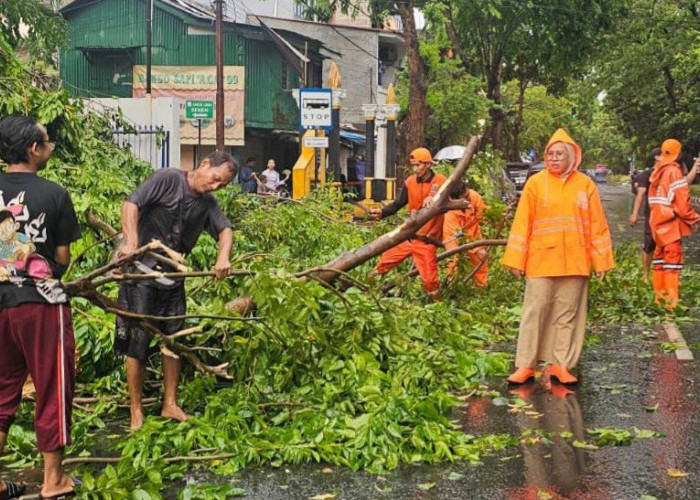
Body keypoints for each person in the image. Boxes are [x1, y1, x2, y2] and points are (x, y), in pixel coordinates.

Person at [116, 151, 235, 430]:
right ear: (205, 163)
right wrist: (131, 241)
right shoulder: (168, 178)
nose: (216, 186)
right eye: (216, 179)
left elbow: (225, 229)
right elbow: (131, 203)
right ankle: (136, 410)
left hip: (173, 281)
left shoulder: (207, 202)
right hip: (141, 275)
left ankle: (170, 403)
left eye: (223, 185)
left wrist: (223, 258)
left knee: (173, 341)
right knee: (138, 343)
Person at [0, 116, 82, 499]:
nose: (49, 148)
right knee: (53, 386)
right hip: (41, 303)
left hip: (1, 302)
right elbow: (62, 257)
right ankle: (53, 480)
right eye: (46, 142)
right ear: (33, 149)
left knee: (1, 391)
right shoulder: (54, 194)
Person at [503, 129, 614, 385]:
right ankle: (526, 365)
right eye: (550, 154)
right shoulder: (535, 183)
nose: (553, 159)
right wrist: (515, 260)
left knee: (567, 316)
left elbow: (597, 224)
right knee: (534, 312)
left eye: (559, 154)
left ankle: (560, 366)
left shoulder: (585, 185)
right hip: (540, 261)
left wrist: (601, 262)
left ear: (572, 157)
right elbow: (522, 224)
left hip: (575, 262)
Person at [369, 147, 446, 301]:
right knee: (382, 265)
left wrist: (437, 198)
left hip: (427, 240)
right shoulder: (410, 182)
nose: (415, 169)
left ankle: (439, 309)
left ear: (428, 165)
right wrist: (382, 212)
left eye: (418, 165)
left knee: (430, 281)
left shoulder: (441, 182)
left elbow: (456, 196)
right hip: (408, 236)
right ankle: (365, 294)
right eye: (414, 166)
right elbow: (398, 204)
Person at [631, 149, 700, 283]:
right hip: (654, 215)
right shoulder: (648, 174)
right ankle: (647, 275)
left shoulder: (670, 172)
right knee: (650, 245)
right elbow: (640, 195)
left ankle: (664, 280)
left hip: (670, 218)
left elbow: (684, 183)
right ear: (656, 157)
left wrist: (696, 165)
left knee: (665, 248)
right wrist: (635, 213)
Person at [648, 139, 700, 309]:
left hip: (657, 224)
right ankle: (671, 303)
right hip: (670, 225)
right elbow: (682, 204)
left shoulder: (658, 171)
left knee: (659, 261)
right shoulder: (673, 172)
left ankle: (660, 299)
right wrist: (695, 219)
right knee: (672, 263)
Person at [442, 179, 489, 287]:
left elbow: (484, 214)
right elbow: (454, 239)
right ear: (456, 201)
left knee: (481, 258)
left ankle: (481, 287)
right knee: (453, 261)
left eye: (468, 194)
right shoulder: (450, 215)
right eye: (465, 198)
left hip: (474, 234)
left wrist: (498, 218)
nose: (469, 198)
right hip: (454, 236)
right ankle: (451, 287)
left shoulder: (473, 196)